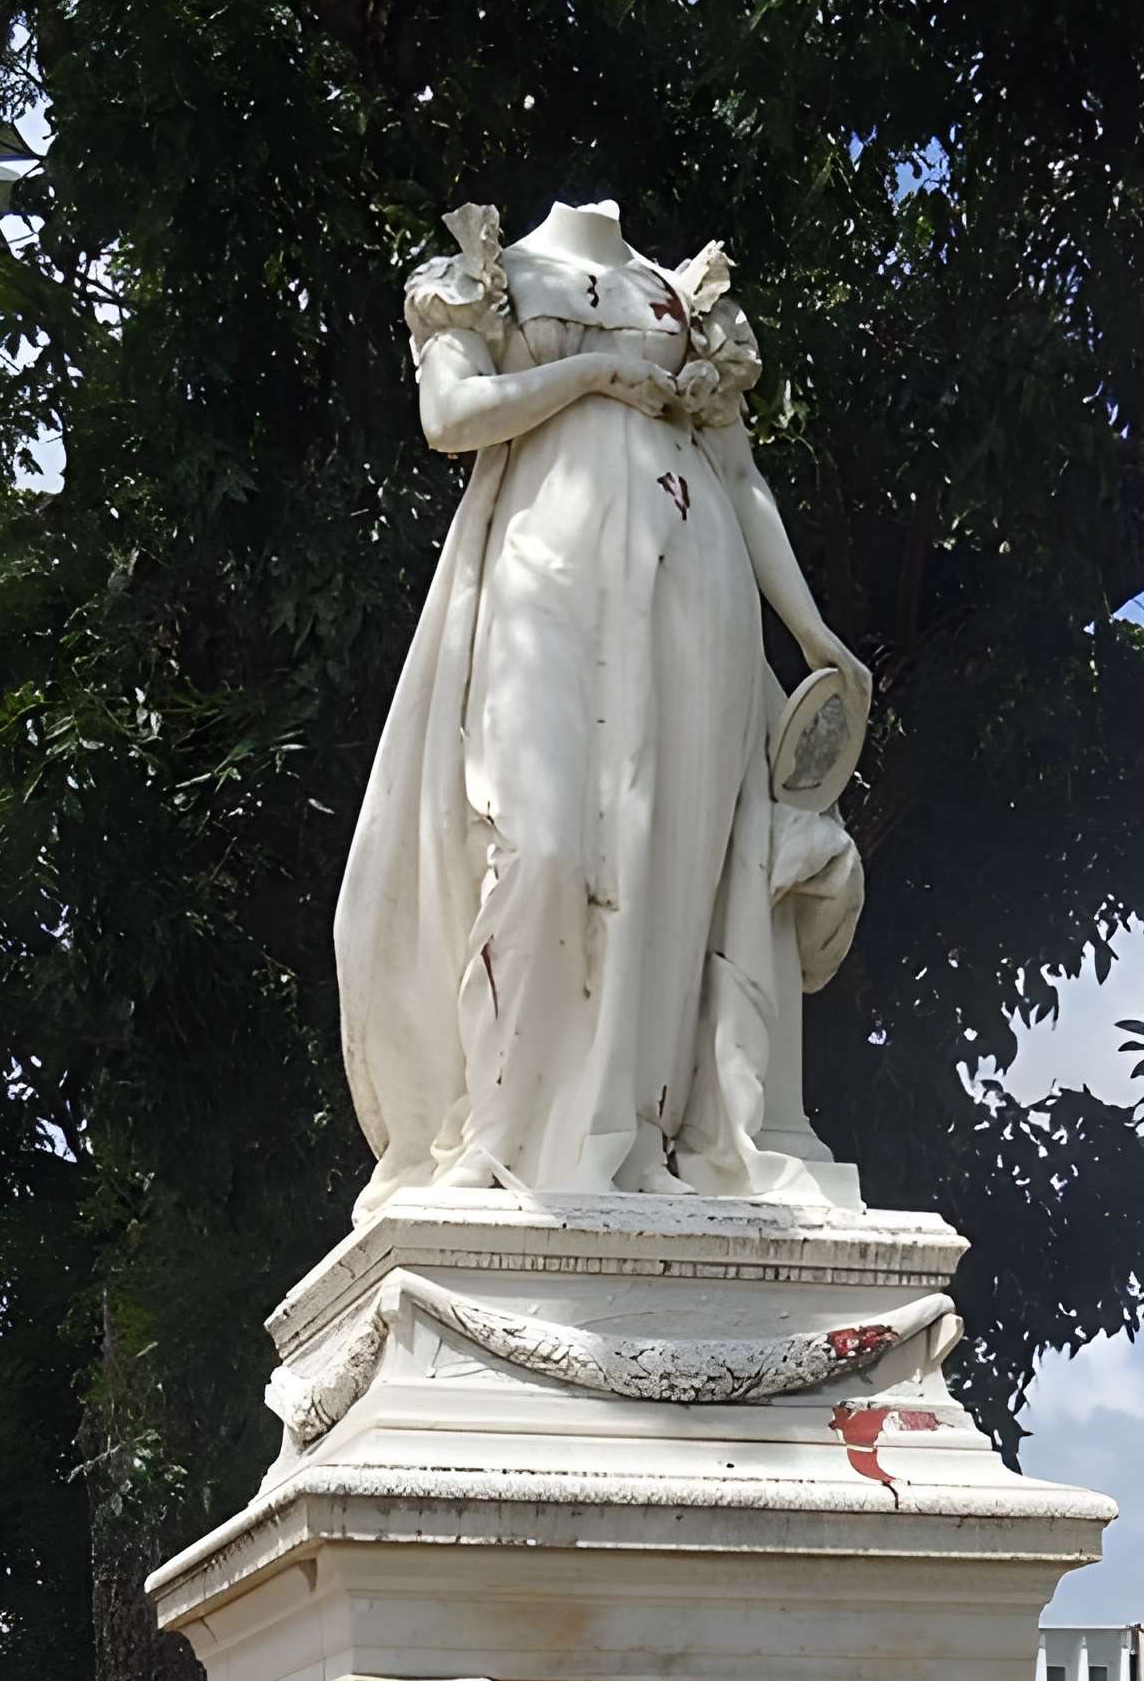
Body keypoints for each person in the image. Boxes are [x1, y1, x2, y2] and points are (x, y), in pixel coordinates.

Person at [336, 198, 871, 1215]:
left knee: (673, 853)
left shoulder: (683, 296)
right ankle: (514, 1133)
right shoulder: (482, 277)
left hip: (692, 577)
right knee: (539, 844)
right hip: (546, 570)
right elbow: (450, 420)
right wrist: (589, 375)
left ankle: (649, 1126)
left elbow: (740, 471)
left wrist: (807, 629)